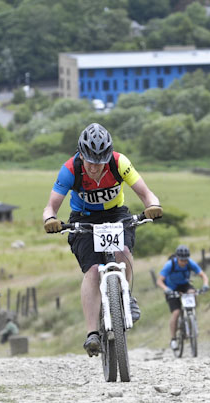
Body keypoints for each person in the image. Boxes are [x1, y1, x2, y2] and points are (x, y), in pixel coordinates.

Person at [42, 122, 163, 356]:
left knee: (123, 252)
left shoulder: (119, 163)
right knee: (93, 271)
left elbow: (147, 194)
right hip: (83, 219)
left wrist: (153, 206)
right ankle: (92, 334)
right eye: (90, 162)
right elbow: (51, 207)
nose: (95, 167)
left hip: (116, 215)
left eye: (100, 162)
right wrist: (51, 220)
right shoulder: (70, 169)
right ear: (81, 155)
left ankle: (126, 297)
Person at [156, 245, 210, 351]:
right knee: (176, 312)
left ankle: (191, 316)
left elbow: (203, 275)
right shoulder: (170, 265)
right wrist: (166, 289)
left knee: (192, 292)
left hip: (184, 285)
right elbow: (159, 281)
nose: (184, 262)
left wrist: (205, 284)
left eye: (186, 260)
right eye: (182, 260)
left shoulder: (190, 263)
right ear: (177, 258)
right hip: (171, 288)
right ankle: (173, 339)